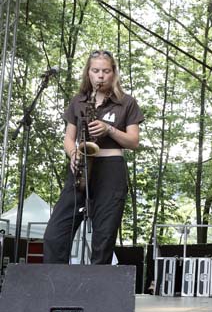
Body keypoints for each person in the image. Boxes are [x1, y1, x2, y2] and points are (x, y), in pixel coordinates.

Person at [43, 50, 143, 264]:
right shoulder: (79, 101)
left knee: (103, 238)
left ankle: (97, 293)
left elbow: (134, 142)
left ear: (113, 73)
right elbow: (68, 138)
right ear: (88, 73)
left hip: (111, 169)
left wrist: (109, 130)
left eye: (106, 71)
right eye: (96, 70)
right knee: (54, 235)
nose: (100, 76)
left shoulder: (126, 102)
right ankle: (55, 290)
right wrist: (73, 154)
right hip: (80, 169)